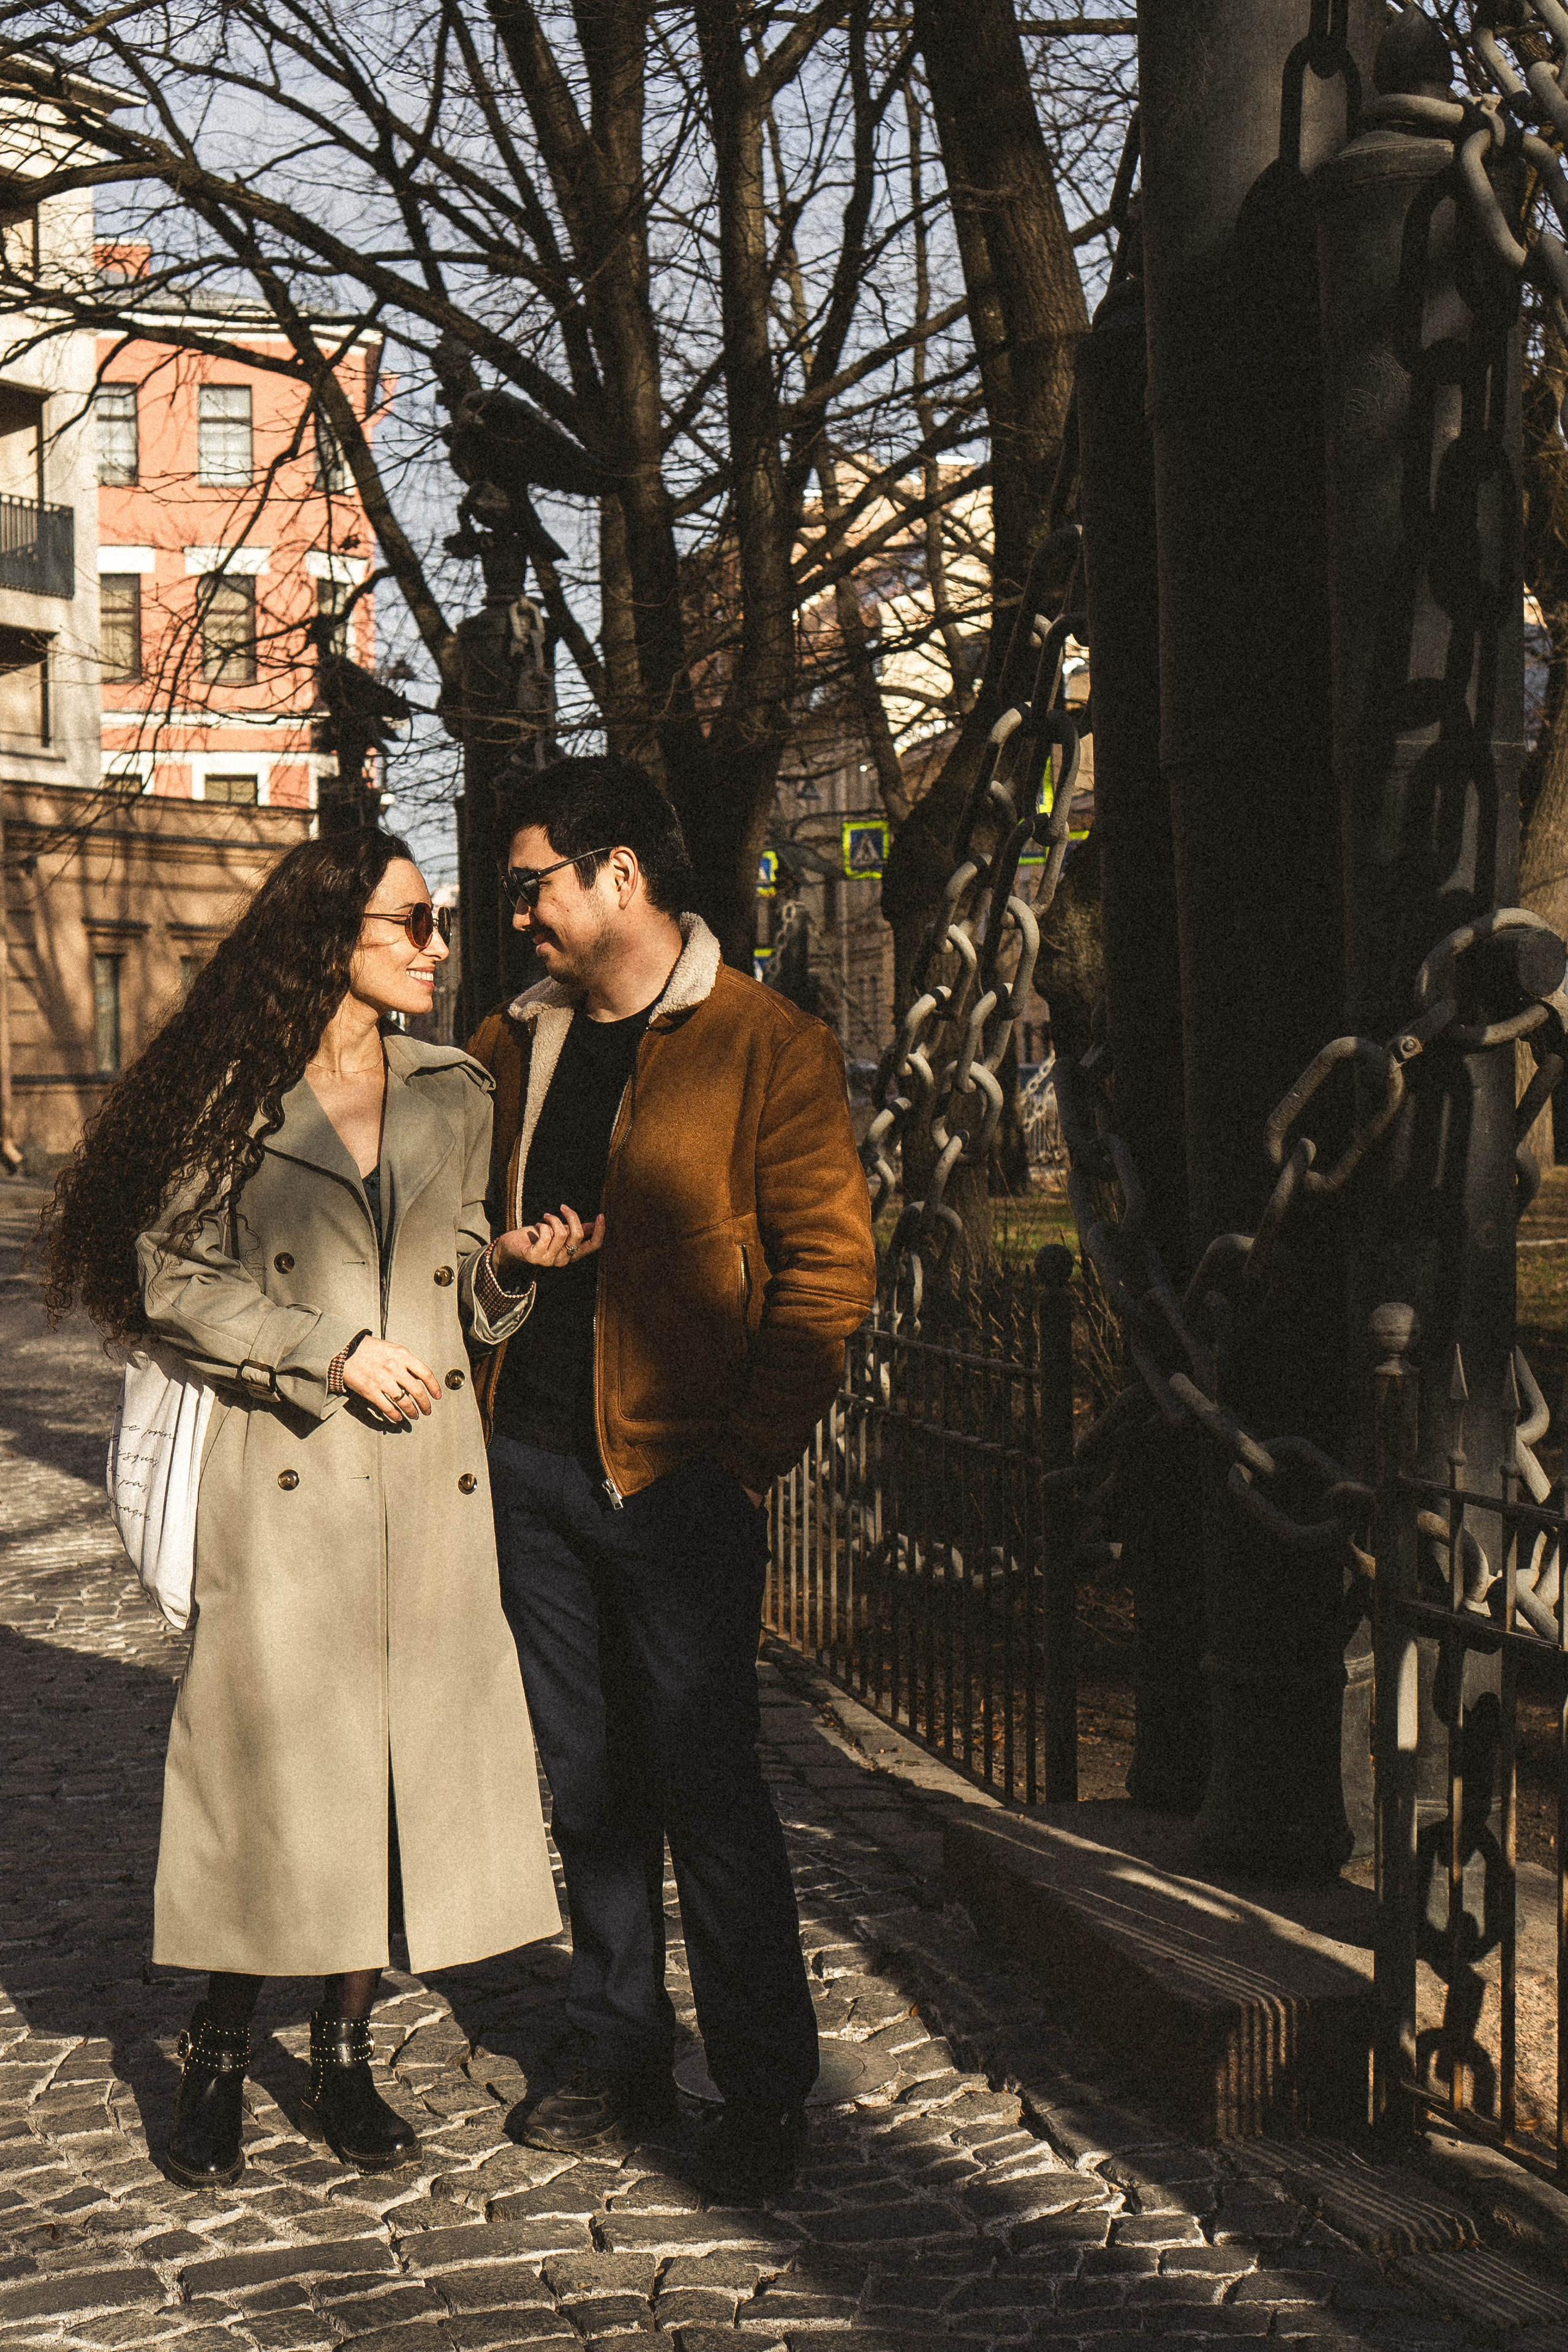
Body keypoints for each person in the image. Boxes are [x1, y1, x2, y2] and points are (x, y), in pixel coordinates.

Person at [43, 831, 573, 2191]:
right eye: (410, 923)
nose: (436, 947)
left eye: (439, 922)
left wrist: (505, 1272)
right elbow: (169, 1277)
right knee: (273, 1772)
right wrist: (324, 1352)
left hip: (429, 1475)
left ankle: (342, 2054)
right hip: (290, 1469)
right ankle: (220, 2047)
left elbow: (453, 1272)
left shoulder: (454, 1092)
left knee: (396, 1774)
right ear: (330, 937)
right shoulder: (232, 1094)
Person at [469, 753, 877, 2201]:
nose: (517, 916)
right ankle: (615, 2044)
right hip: (533, 1472)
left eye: (533, 886)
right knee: (584, 1783)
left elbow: (828, 1271)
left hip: (679, 1479)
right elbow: (462, 1243)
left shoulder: (766, 1043)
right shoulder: (513, 1046)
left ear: (617, 875)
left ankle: (761, 2083)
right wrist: (499, 1290)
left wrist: (746, 1457)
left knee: (708, 1788)